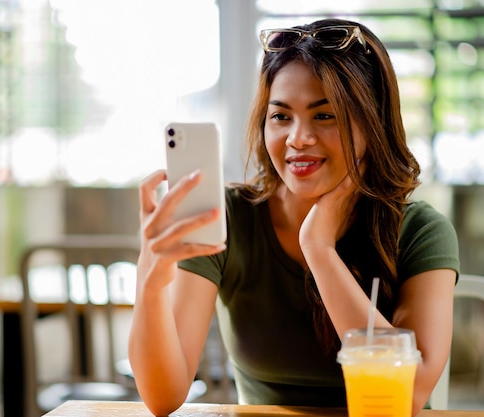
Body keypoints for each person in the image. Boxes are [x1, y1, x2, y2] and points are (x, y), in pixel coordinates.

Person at [128, 17, 460, 417]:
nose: (297, 139)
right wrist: (151, 280)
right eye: (281, 116)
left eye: (325, 116)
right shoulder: (227, 218)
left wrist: (319, 249)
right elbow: (164, 398)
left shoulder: (420, 231)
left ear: (373, 124)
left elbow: (408, 395)